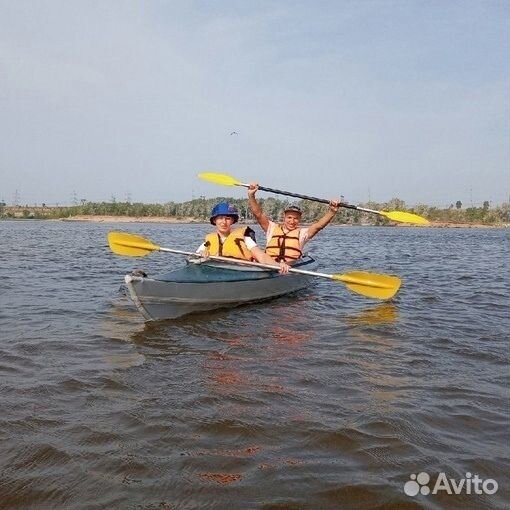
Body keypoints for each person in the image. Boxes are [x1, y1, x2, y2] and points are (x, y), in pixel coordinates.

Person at [247, 184, 340, 262]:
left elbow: (319, 226)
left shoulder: (303, 233)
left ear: (299, 219)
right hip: (269, 264)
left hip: (290, 266)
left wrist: (332, 211)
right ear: (284, 217)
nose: (292, 221)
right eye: (289, 217)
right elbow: (258, 214)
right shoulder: (271, 228)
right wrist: (251, 195)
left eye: (296, 218)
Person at [195, 202, 289, 274]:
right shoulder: (208, 242)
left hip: (240, 272)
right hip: (217, 272)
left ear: (232, 221)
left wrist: (277, 265)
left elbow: (261, 256)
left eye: (228, 218)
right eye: (220, 218)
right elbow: (196, 256)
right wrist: (201, 254)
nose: (224, 222)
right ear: (215, 220)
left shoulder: (245, 238)